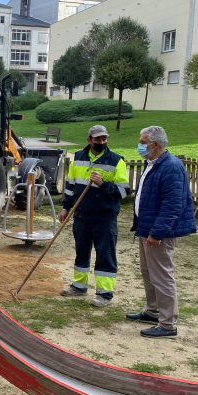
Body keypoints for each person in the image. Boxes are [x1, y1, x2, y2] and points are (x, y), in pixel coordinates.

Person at [127, 126, 196, 338]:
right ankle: (153, 310)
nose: (140, 145)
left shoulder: (171, 167)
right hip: (146, 228)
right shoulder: (152, 163)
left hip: (159, 234)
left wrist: (157, 233)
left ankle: (167, 324)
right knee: (148, 272)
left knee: (162, 276)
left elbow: (173, 204)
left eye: (143, 141)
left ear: (156, 144)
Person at [59, 125, 130, 307]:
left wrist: (103, 184)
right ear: (89, 139)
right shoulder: (78, 158)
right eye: (98, 139)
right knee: (81, 251)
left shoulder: (116, 161)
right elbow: (70, 186)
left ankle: (104, 294)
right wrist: (66, 208)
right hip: (81, 214)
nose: (102, 142)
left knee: (105, 254)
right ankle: (79, 286)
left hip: (105, 216)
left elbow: (123, 192)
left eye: (104, 139)